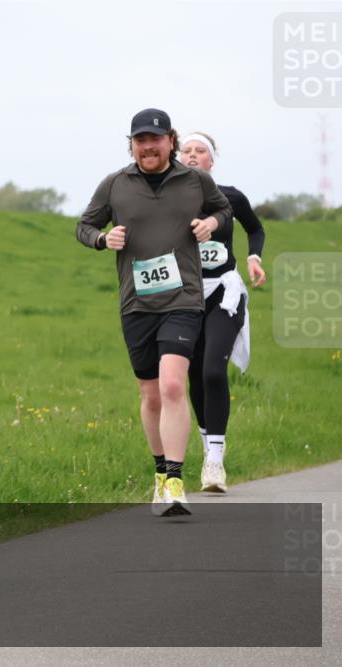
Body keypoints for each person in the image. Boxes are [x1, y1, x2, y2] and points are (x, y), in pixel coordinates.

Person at [76, 109, 232, 517]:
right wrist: (102, 238)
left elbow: (224, 210)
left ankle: (176, 481)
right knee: (150, 395)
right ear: (131, 144)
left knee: (173, 386)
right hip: (136, 303)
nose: (148, 146)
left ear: (170, 142)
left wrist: (211, 223)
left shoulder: (196, 180)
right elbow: (84, 226)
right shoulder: (114, 185)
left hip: (183, 299)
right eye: (140, 140)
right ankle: (160, 473)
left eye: (155, 139)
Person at [178, 132, 266, 493]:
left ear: (212, 161)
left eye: (202, 151)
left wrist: (253, 256)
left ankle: (215, 461)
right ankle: (206, 445)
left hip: (224, 294)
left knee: (214, 370)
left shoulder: (230, 197)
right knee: (196, 374)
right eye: (188, 150)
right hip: (185, 297)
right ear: (178, 157)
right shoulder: (168, 201)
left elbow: (255, 227)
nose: (194, 155)